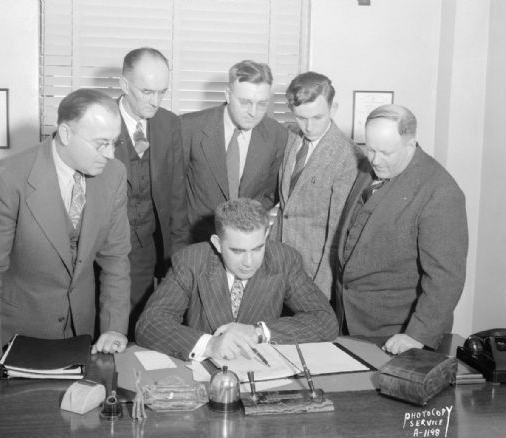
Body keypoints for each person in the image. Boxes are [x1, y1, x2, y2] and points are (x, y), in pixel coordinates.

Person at [0, 89, 131, 398]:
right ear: (65, 133)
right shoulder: (5, 179)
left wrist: (115, 327)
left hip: (83, 335)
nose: (110, 154)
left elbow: (116, 258)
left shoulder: (114, 174)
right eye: (100, 143)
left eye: (114, 142)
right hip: (18, 340)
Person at [335, 104, 468, 354]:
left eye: (385, 152)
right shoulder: (372, 167)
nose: (375, 159)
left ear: (411, 144)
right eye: (370, 148)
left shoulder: (441, 192)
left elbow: (446, 278)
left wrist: (417, 336)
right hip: (351, 325)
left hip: (397, 336)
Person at [135, 198, 338, 361]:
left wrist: (258, 332)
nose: (249, 262)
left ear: (266, 235)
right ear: (217, 243)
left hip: (263, 376)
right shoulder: (191, 261)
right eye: (238, 251)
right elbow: (149, 324)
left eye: (257, 248)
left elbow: (325, 320)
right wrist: (211, 345)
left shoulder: (284, 260)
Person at [115, 47, 189, 339]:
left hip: (148, 250)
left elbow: (176, 197)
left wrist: (178, 257)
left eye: (162, 92)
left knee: (140, 331)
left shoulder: (169, 124)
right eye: (147, 92)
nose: (155, 101)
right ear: (124, 85)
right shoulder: (97, 119)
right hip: (104, 252)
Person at [271, 71, 362, 301]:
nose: (309, 126)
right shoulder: (292, 137)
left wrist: (318, 298)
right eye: (301, 117)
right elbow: (287, 207)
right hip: (277, 266)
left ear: (333, 109)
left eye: (317, 117)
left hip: (313, 276)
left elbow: (336, 234)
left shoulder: (349, 158)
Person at [181, 60, 288, 243]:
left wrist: (246, 223)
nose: (253, 112)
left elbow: (272, 193)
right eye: (245, 102)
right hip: (195, 240)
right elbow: (174, 192)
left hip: (245, 245)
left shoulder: (277, 135)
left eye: (262, 104)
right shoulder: (189, 127)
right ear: (228, 95)